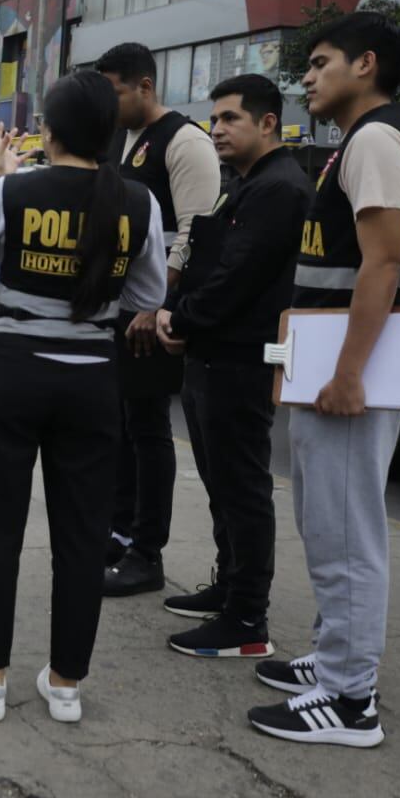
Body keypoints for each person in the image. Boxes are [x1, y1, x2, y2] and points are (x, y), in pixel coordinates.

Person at [0, 71, 167, 723]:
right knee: (83, 534)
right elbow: (149, 295)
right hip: (92, 379)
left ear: (49, 130)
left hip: (9, 373)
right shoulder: (139, 203)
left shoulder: (13, 190)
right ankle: (66, 684)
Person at [246, 12, 400, 748]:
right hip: (331, 360)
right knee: (327, 521)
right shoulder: (375, 141)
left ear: (365, 64)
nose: (307, 77)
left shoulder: (379, 138)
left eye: (320, 62)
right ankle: (334, 657)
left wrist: (349, 372)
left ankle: (350, 698)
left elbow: (383, 261)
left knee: (347, 532)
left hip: (348, 369)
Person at [153, 75, 312, 660]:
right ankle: (228, 586)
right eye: (214, 119)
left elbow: (237, 276)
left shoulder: (279, 189)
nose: (216, 129)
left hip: (241, 361)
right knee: (221, 483)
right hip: (212, 355)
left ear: (267, 123)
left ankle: (247, 618)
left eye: (229, 119)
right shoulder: (246, 184)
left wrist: (180, 317)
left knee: (242, 487)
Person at [95, 43, 221, 597]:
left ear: (145, 86)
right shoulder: (123, 139)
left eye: (116, 91)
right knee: (121, 428)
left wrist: (156, 303)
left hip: (155, 310)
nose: (109, 103)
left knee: (149, 430)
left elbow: (195, 230)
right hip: (121, 309)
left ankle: (147, 552)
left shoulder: (185, 141)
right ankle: (119, 533)